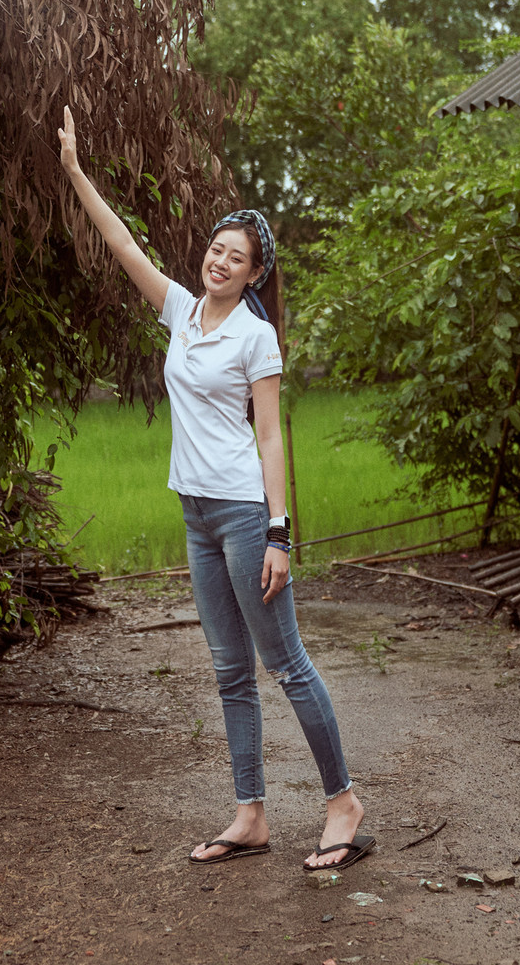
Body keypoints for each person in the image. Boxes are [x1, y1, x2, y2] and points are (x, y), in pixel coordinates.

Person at [58, 106, 373, 870]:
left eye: (237, 257)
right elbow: (122, 243)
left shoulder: (254, 335)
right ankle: (250, 816)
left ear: (255, 273)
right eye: (216, 249)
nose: (220, 262)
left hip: (241, 516)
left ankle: (342, 803)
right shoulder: (182, 311)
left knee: (285, 663)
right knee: (230, 672)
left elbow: (269, 437)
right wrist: (74, 171)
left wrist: (278, 533)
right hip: (195, 514)